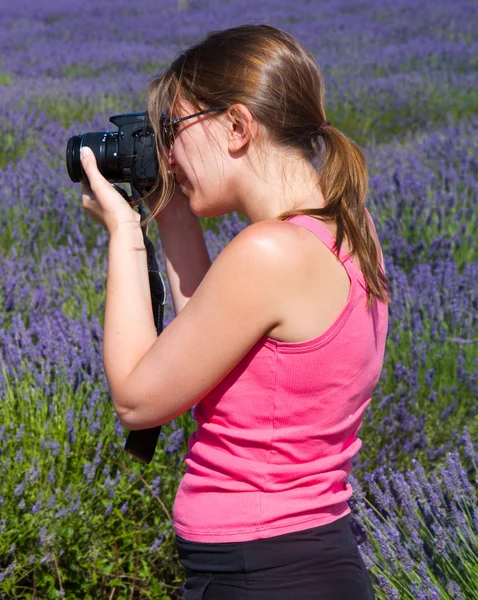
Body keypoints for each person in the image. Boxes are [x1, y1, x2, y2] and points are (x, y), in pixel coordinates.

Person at [80, 23, 390, 600]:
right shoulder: (346, 229)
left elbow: (137, 399)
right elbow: (211, 338)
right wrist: (171, 214)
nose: (166, 150)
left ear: (239, 127)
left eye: (172, 128)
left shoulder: (268, 252)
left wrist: (125, 230)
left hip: (258, 573)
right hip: (306, 557)